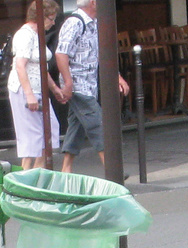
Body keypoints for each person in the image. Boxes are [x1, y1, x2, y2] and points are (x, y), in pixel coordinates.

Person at [53, 0, 129, 175]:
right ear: (93, 3)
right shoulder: (74, 23)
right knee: (99, 124)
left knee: (77, 126)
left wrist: (117, 77)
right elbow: (61, 53)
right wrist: (68, 83)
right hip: (78, 86)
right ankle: (112, 169)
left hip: (89, 85)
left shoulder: (95, 23)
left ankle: (66, 168)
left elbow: (100, 54)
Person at [8, 0, 62, 169]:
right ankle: (26, 178)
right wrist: (29, 94)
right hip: (25, 90)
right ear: (40, 16)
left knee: (50, 130)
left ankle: (37, 175)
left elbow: (41, 67)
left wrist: (54, 89)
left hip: (39, 90)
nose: (53, 23)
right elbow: (20, 66)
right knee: (33, 138)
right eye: (51, 19)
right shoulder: (25, 35)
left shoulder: (37, 35)